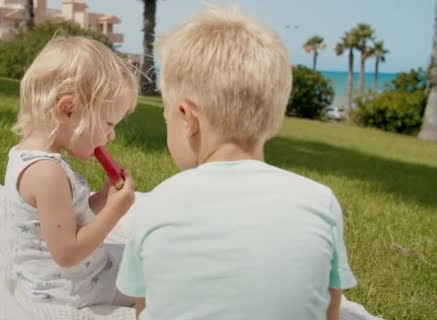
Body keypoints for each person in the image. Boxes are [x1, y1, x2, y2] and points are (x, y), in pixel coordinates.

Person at [116, 6, 357, 320]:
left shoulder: (157, 204)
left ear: (187, 118)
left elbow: (144, 310)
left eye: (166, 116)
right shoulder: (320, 201)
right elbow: (330, 311)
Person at [4, 36, 139, 308]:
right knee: (155, 279)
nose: (111, 135)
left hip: (69, 276)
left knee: (141, 254)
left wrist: (100, 201)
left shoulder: (30, 158)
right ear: (68, 110)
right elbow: (67, 253)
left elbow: (66, 218)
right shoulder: (46, 173)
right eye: (108, 123)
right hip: (69, 289)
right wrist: (115, 211)